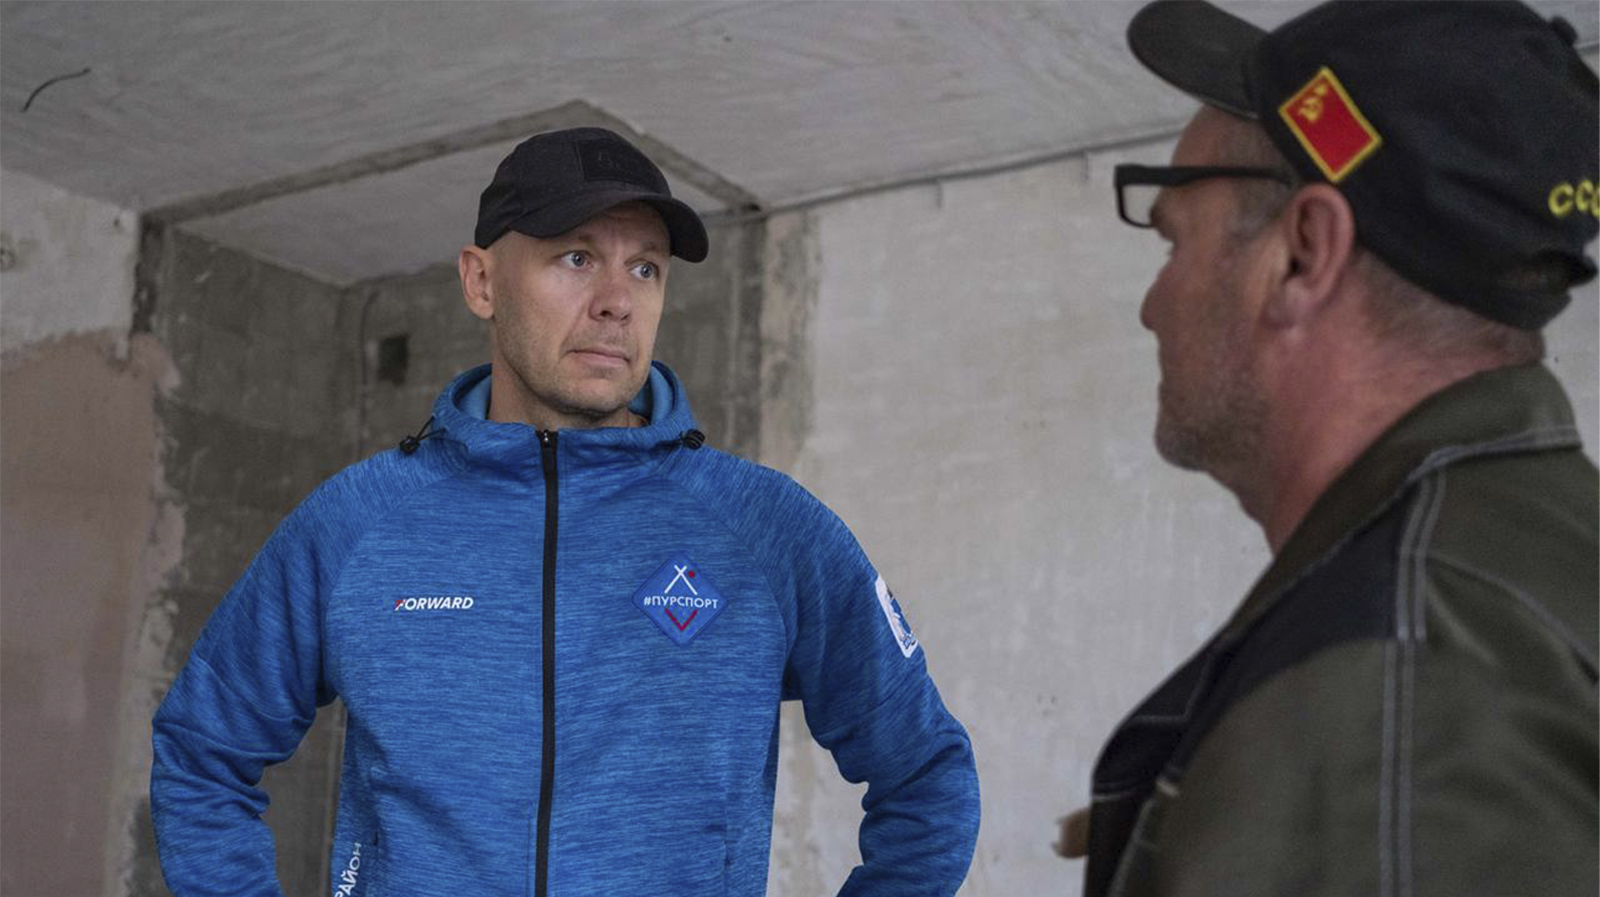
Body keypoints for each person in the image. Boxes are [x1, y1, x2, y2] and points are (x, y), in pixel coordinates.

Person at [150, 127, 979, 896]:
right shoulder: (358, 524)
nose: (617, 300)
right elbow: (200, 752)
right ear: (481, 281)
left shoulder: (764, 529)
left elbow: (927, 775)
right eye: (577, 257)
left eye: (645, 268)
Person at [1072, 2, 1598, 895]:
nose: (1152, 308)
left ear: (1302, 256)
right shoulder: (1534, 575)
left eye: (1173, 241)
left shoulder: (1393, 680)